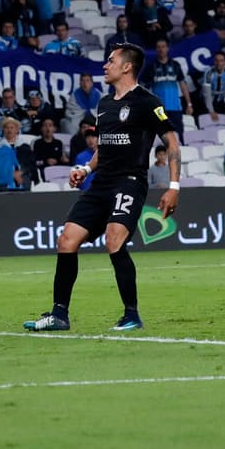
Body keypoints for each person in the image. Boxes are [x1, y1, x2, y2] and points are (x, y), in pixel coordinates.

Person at [24, 43, 180, 333]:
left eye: (111, 61)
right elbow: (104, 149)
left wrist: (173, 186)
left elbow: (171, 142)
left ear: (127, 66)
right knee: (67, 240)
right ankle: (59, 315)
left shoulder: (148, 102)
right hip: (101, 183)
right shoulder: (105, 104)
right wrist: (85, 169)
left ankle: (131, 314)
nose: (105, 65)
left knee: (114, 239)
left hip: (129, 182)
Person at [140, 38, 191, 140]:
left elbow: (183, 84)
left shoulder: (175, 65)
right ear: (155, 49)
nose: (161, 49)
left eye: (163, 47)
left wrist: (189, 104)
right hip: (159, 109)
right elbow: (144, 89)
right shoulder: (151, 68)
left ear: (167, 48)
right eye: (158, 47)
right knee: (162, 135)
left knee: (179, 135)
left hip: (175, 108)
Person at [0, 117, 29, 191]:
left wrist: (20, 173)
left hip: (22, 179)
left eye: (12, 127)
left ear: (16, 130)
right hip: (5, 182)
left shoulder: (24, 145)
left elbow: (29, 163)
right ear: (3, 130)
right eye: (7, 128)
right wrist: (12, 174)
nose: (9, 130)